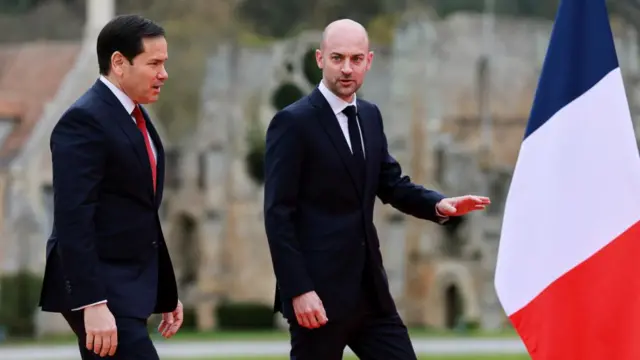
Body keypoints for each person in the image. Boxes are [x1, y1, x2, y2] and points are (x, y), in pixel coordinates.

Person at [263, 19, 491, 359]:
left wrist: (438, 205)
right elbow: (278, 214)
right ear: (319, 58)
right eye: (337, 58)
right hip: (318, 297)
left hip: (370, 293)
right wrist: (299, 290)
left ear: (368, 61)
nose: (346, 68)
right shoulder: (293, 123)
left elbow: (391, 183)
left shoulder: (370, 116)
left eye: (356, 59)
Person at [38, 14, 183, 359]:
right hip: (101, 290)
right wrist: (92, 303)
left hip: (128, 287)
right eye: (154, 63)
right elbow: (74, 218)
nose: (164, 73)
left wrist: (164, 291)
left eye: (164, 63)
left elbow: (138, 212)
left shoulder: (136, 116)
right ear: (119, 62)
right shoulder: (84, 121)